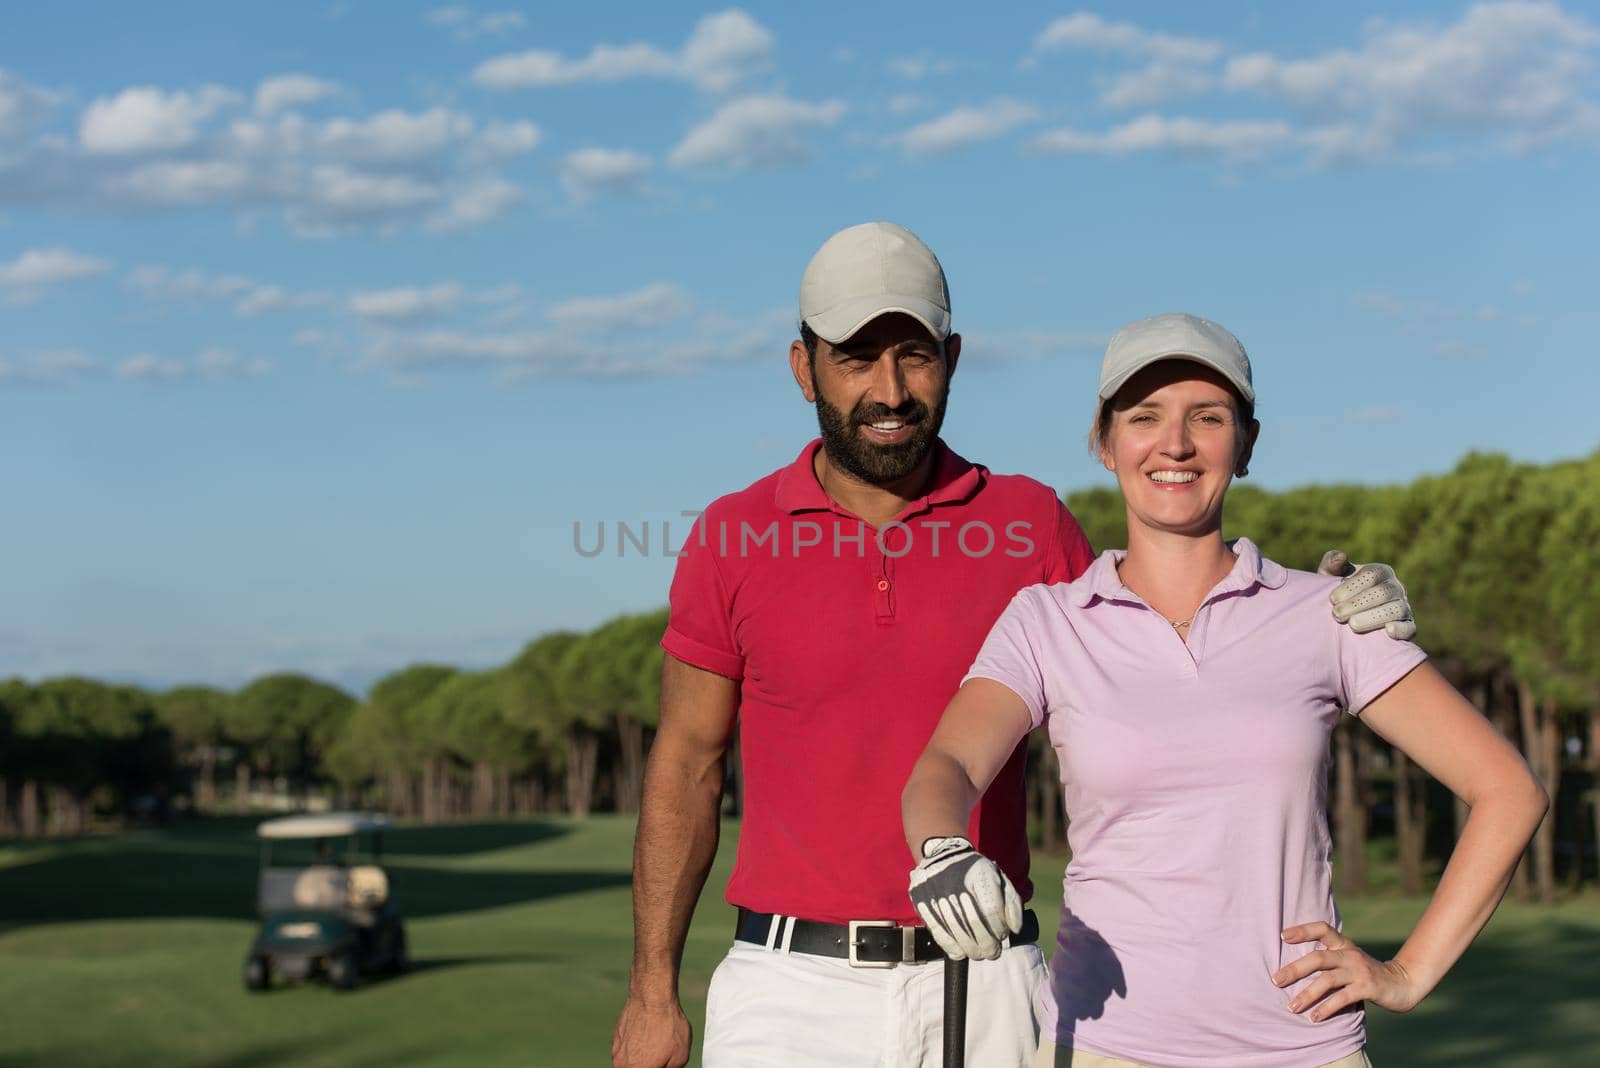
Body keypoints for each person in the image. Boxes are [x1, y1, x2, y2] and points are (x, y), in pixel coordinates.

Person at [611, 228, 1416, 1068]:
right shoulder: (733, 536)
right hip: (789, 989)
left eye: (915, 355)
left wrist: (1330, 606)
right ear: (803, 366)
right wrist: (650, 992)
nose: (890, 388)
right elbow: (686, 767)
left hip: (990, 984)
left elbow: (1171, 629)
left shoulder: (1028, 525)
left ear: (952, 358)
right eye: (855, 358)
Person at [901, 312, 1548, 1068]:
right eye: (1144, 417)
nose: (1175, 443)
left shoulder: (1328, 612)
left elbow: (1508, 790)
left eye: (1206, 418)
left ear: (1246, 445)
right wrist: (942, 848)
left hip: (1304, 1050)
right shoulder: (1048, 621)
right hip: (1107, 1046)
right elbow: (946, 765)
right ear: (1105, 444)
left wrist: (1407, 974)